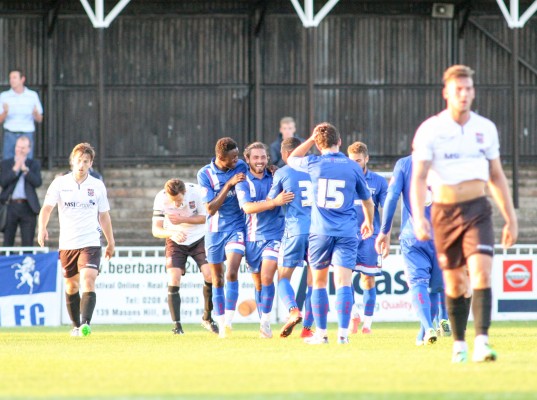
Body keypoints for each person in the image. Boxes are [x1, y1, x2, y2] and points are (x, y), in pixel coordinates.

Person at [410, 65, 518, 363]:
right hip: (444, 213)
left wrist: (510, 217)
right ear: (446, 93)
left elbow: (496, 175)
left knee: (481, 272)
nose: (464, 94)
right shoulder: (431, 129)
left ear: (473, 91)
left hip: (477, 210)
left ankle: (482, 341)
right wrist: (419, 217)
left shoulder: (485, 128)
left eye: (468, 88)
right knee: (456, 282)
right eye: (458, 89)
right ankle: (459, 344)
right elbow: (418, 177)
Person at [288, 122, 374, 344]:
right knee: (344, 283)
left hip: (320, 232)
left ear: (318, 144)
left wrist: (309, 139)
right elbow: (368, 201)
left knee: (319, 283)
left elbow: (291, 159)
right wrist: (369, 222)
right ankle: (343, 335)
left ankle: (322, 334)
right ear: (340, 142)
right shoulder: (353, 166)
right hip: (347, 231)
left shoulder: (314, 162)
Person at [37, 142, 115, 337]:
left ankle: (85, 324)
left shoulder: (97, 186)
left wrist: (110, 241)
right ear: (72, 161)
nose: (81, 165)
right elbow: (47, 208)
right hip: (68, 243)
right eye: (78, 160)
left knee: (89, 279)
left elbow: (104, 215)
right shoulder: (60, 183)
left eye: (86, 161)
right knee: (71, 285)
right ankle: (75, 325)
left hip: (90, 242)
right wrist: (42, 229)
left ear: (91, 164)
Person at [375, 155, 447, 346]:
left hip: (414, 234)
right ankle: (428, 328)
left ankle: (427, 328)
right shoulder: (446, 160)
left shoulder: (404, 164)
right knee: (435, 287)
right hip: (442, 235)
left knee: (418, 284)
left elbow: (391, 197)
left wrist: (384, 231)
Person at [236, 142, 294, 338]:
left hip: (275, 236)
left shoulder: (276, 176)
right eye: (256, 158)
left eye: (263, 157)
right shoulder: (243, 181)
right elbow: (247, 208)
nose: (260, 161)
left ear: (268, 158)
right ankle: (264, 322)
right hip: (252, 238)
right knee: (259, 284)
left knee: (268, 276)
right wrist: (273, 202)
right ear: (248, 159)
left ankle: (266, 323)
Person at [152, 178, 218, 335]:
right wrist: (172, 232)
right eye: (172, 200)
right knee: (173, 278)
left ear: (185, 193)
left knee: (210, 275)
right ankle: (177, 326)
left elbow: (206, 217)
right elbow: (156, 230)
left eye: (179, 200)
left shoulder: (196, 192)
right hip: (175, 239)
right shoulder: (160, 198)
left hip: (199, 237)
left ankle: (207, 318)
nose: (176, 204)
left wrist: (183, 219)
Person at [197, 137, 247, 338]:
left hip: (237, 227)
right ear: (220, 157)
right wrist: (228, 185)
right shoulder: (205, 174)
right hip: (215, 231)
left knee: (232, 272)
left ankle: (228, 320)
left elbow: (255, 169)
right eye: (232, 158)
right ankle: (220, 323)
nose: (237, 160)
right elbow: (209, 208)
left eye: (237, 156)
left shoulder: (241, 165)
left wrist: (269, 168)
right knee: (217, 278)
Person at [268, 137, 315, 338]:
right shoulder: (315, 169)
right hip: (319, 232)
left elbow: (271, 201)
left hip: (295, 230)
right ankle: (308, 330)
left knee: (283, 277)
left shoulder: (282, 172)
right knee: (316, 283)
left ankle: (293, 310)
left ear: (286, 154)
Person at [347, 142, 388, 335]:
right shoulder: (344, 178)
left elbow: (386, 208)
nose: (355, 165)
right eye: (351, 161)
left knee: (368, 279)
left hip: (370, 236)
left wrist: (384, 233)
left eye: (358, 161)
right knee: (344, 278)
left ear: (366, 159)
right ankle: (354, 314)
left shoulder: (378, 181)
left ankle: (367, 325)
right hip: (346, 234)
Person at [0, 136, 42, 247]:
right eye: (18, 147)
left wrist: (25, 170)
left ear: (28, 149)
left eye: (23, 148)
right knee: (7, 241)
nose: (20, 150)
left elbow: (38, 182)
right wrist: (15, 169)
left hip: (28, 206)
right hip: (10, 206)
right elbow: (3, 182)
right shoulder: (6, 163)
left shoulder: (33, 164)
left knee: (28, 242)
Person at [0, 69, 43, 160]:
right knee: (8, 163)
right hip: (10, 134)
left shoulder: (32, 95)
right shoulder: (4, 96)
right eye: (10, 78)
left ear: (22, 79)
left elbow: (40, 119)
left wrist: (35, 113)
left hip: (27, 133)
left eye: (14, 77)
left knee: (27, 162)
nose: (11, 80)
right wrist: (5, 112)